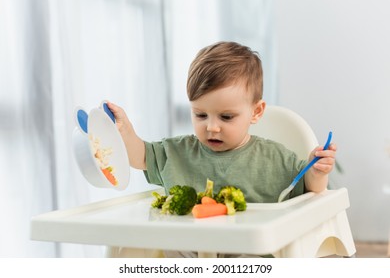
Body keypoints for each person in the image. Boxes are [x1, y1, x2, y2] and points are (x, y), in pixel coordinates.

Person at [107, 41, 336, 256]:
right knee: (167, 248)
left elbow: (309, 190)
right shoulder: (177, 153)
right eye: (200, 115)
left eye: (226, 117)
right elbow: (140, 157)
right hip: (190, 255)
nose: (212, 127)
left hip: (250, 256)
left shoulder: (274, 158)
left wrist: (316, 172)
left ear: (256, 112)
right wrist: (125, 131)